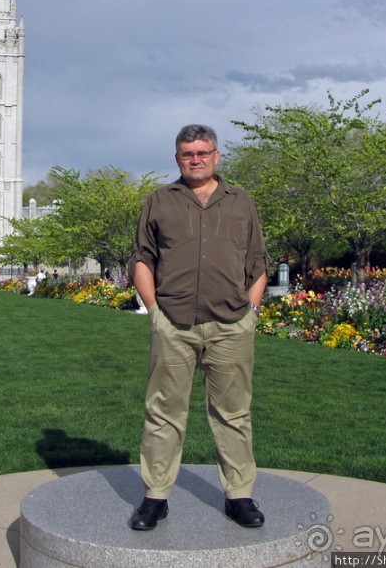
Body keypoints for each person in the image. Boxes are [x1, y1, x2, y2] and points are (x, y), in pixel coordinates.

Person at [128, 124, 268, 531]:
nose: (195, 159)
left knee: (233, 414)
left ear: (216, 156)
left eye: (202, 153)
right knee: (163, 413)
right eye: (187, 154)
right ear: (177, 158)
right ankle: (155, 497)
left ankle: (239, 495)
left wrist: (250, 312)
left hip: (231, 326)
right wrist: (154, 311)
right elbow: (142, 258)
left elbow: (258, 262)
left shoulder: (241, 202)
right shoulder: (159, 201)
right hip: (174, 325)